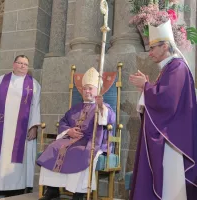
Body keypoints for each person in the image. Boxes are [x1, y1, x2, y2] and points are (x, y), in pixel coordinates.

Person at [129, 20, 197, 200]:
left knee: (170, 187)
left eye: (152, 48)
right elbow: (161, 96)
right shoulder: (168, 68)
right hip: (168, 135)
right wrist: (147, 87)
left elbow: (167, 101)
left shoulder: (177, 67)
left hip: (171, 139)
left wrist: (146, 86)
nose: (149, 53)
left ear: (165, 45)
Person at [37, 67, 116, 200]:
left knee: (80, 152)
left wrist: (101, 106)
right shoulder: (75, 108)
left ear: (97, 90)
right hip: (70, 139)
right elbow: (63, 121)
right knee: (53, 148)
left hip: (90, 141)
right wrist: (69, 131)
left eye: (90, 88)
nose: (87, 91)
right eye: (85, 88)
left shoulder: (104, 107)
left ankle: (79, 193)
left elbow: (109, 120)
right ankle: (52, 189)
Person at [0, 55, 41, 196]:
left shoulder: (33, 84)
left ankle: (16, 187)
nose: (22, 66)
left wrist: (34, 126)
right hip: (1, 127)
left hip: (21, 129)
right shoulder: (1, 80)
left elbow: (36, 107)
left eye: (25, 64)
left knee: (17, 157)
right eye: (20, 63)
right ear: (13, 64)